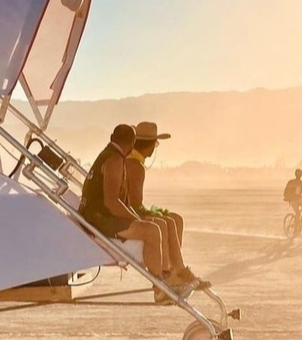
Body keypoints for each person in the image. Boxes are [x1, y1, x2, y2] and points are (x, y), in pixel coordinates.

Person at [79, 125, 189, 302]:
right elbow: (112, 203)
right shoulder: (114, 160)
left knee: (155, 226)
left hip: (97, 216)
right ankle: (160, 287)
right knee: (152, 231)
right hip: (98, 220)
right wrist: (135, 218)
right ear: (131, 143)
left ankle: (167, 278)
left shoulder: (108, 156)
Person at [125, 121, 209, 288]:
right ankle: (175, 272)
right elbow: (134, 204)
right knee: (168, 221)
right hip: (129, 215)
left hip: (130, 211)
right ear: (149, 146)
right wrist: (153, 214)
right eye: (155, 144)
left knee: (176, 219)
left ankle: (176, 270)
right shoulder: (135, 166)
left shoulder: (132, 161)